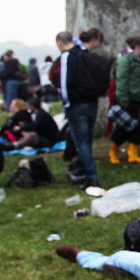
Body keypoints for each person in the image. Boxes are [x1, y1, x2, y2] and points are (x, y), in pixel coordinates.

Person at [56, 31, 101, 189]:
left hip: (76, 104)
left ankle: (91, 176)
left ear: (60, 42)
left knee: (81, 142)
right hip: (92, 102)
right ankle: (81, 168)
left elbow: (64, 84)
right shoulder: (85, 54)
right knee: (86, 140)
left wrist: (66, 103)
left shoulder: (67, 57)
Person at [110, 35, 140, 165]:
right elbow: (121, 80)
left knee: (138, 127)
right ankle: (113, 151)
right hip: (129, 100)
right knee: (123, 127)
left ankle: (133, 154)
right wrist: (123, 100)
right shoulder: (126, 60)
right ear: (137, 46)